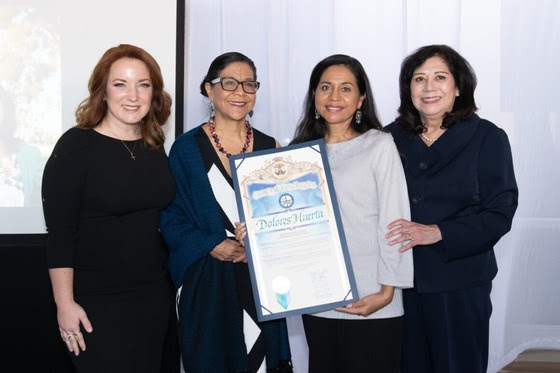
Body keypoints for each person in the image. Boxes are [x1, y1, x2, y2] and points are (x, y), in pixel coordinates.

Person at [42, 44, 176, 372]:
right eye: (120, 84)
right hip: (94, 304)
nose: (133, 95)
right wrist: (64, 304)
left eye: (143, 85)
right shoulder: (76, 146)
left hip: (152, 300)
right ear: (102, 91)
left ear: (153, 93)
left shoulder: (153, 145)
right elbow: (60, 233)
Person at [384, 44, 518, 373]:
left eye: (440, 77)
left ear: (458, 87)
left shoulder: (487, 137)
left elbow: (500, 213)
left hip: (460, 282)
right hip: (401, 282)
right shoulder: (387, 138)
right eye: (419, 79)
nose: (429, 87)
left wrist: (438, 232)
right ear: (408, 89)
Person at [159, 52, 292, 373]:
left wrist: (259, 244)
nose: (240, 92)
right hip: (206, 283)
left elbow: (287, 216)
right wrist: (211, 243)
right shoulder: (186, 149)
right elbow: (169, 216)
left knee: (258, 360)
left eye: (249, 85)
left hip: (258, 281)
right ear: (208, 89)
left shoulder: (270, 147)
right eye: (229, 83)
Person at [283, 54, 413, 372]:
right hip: (319, 298)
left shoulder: (379, 145)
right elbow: (292, 225)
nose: (334, 97)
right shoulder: (298, 155)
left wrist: (386, 292)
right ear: (314, 95)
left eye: (346, 88)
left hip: (374, 298)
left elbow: (395, 221)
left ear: (360, 99)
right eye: (326, 87)